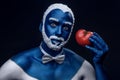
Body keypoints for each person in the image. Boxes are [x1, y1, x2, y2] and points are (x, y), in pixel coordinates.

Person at [0, 3, 109, 80]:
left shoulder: (81, 66)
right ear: (42, 26)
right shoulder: (19, 64)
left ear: (70, 32)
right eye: (53, 24)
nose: (59, 32)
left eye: (66, 28)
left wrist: (98, 64)